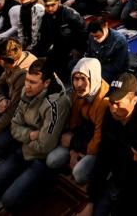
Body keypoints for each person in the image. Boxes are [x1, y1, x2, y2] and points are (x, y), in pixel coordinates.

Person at [0, 58, 71, 212]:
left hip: (40, 159)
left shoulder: (57, 104)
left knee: (9, 201)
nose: (27, 85)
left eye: (33, 82)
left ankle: (43, 182)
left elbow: (45, 146)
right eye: (27, 80)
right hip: (23, 149)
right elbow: (15, 125)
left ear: (46, 83)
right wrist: (30, 135)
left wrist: (27, 136)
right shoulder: (26, 91)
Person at [80, 73, 137, 215]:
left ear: (134, 100)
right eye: (111, 102)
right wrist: (91, 201)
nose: (113, 108)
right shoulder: (109, 116)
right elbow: (103, 156)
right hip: (113, 172)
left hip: (130, 185)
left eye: (118, 103)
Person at [47, 57, 109, 185]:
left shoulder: (104, 102)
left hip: (97, 146)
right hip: (80, 138)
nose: (79, 84)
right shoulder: (78, 93)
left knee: (79, 173)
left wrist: (75, 144)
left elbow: (99, 140)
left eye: (83, 79)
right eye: (76, 79)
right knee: (51, 160)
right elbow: (74, 122)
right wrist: (73, 149)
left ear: (94, 78)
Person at [84, 17, 129, 82]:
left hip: (112, 71)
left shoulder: (119, 41)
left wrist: (95, 69)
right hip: (97, 65)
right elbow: (89, 54)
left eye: (97, 36)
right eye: (93, 36)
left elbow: (117, 67)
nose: (94, 39)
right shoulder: (92, 36)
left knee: (93, 78)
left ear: (105, 27)